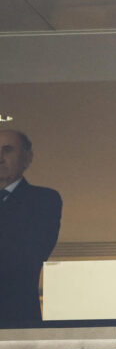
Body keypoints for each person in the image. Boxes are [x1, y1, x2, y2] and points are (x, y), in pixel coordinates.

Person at [0, 130, 62, 322]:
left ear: (27, 158)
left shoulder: (42, 200)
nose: (0, 158)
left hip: (15, 316)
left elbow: (27, 257)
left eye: (7, 150)